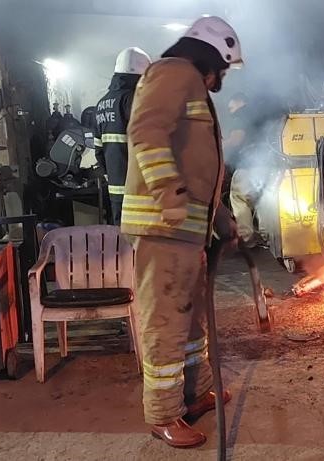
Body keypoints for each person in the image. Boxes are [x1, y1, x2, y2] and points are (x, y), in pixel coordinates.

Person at [121, 16, 241, 449]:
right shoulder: (172, 73)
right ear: (210, 57)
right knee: (166, 324)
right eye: (221, 70)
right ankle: (164, 415)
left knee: (190, 323)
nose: (219, 80)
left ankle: (193, 396)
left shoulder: (188, 81)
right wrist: (170, 196)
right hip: (164, 228)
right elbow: (146, 130)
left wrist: (222, 217)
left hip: (186, 233)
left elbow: (196, 165)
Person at [94, 47, 151, 224]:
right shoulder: (137, 100)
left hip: (117, 190)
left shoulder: (102, 103)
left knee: (123, 244)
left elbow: (98, 150)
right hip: (141, 191)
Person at [224, 93, 276, 248]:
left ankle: (246, 238)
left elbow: (236, 139)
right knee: (262, 199)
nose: (229, 108)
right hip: (266, 166)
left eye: (231, 104)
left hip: (248, 167)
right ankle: (269, 236)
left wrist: (221, 145)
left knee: (239, 197)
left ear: (240, 101)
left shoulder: (241, 115)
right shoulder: (260, 115)